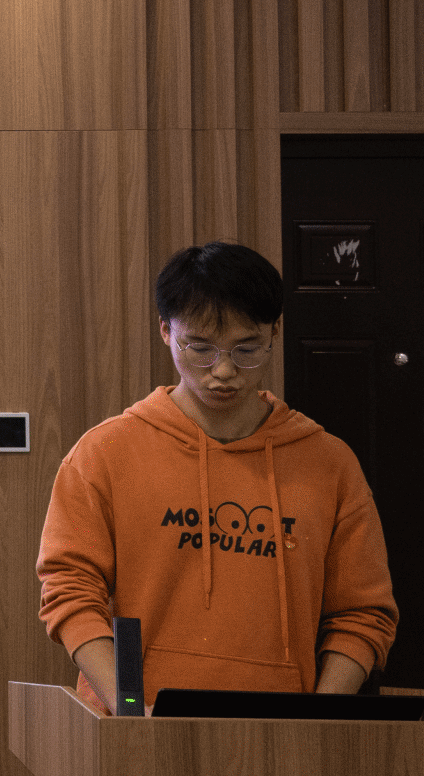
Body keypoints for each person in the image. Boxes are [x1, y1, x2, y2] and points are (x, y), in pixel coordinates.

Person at [37, 240, 397, 716]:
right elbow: (70, 593)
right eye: (201, 348)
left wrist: (318, 721)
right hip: (138, 732)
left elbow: (363, 614)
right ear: (166, 330)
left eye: (247, 349)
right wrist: (132, 711)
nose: (223, 371)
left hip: (285, 734)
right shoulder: (104, 454)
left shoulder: (329, 463)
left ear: (275, 331)